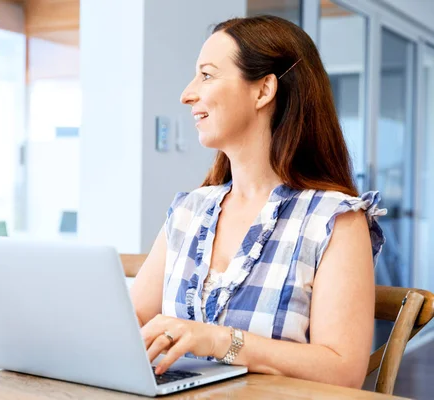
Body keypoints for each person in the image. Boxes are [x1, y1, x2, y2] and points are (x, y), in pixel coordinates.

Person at [130, 15, 386, 389]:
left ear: (264, 91)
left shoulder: (335, 220)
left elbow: (343, 369)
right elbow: (132, 320)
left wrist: (220, 341)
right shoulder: (189, 211)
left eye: (206, 75)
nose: (187, 94)